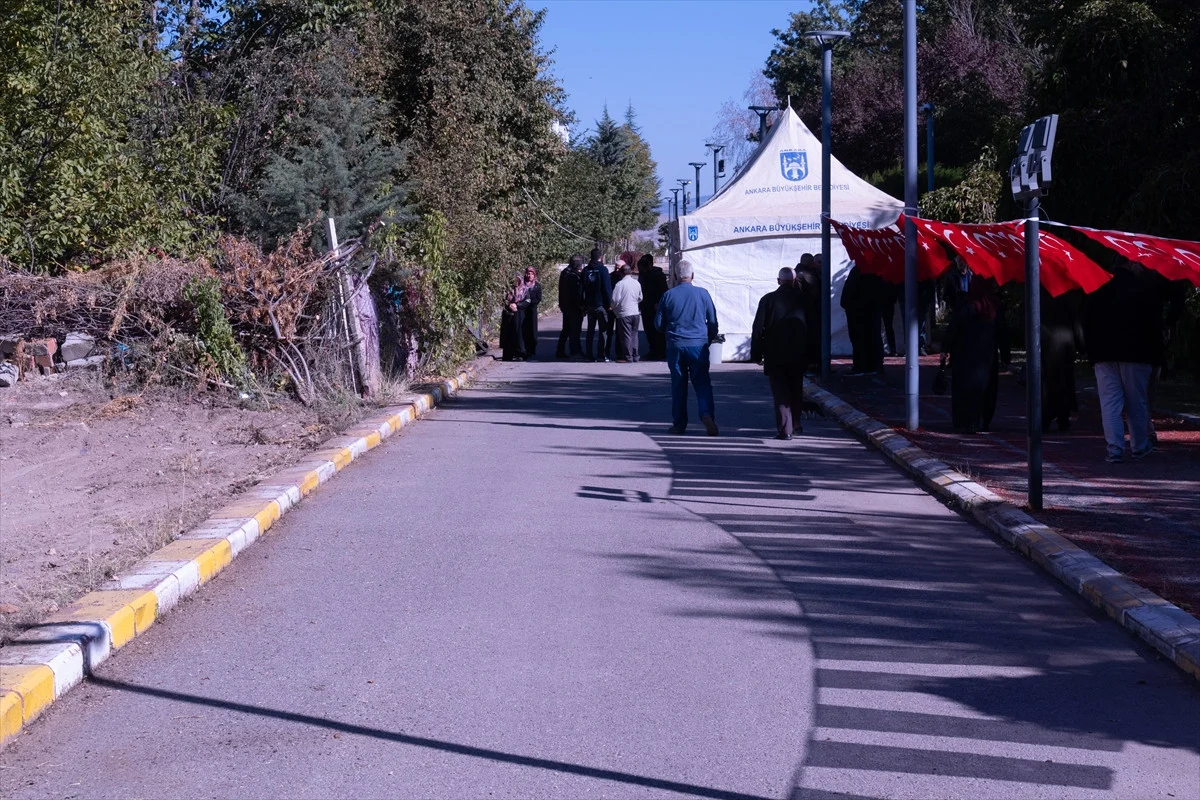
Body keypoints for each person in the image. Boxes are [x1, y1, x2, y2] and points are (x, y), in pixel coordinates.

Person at [1081, 257, 1161, 462]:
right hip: (1136, 354)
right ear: (1132, 264)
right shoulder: (1143, 289)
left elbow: (1086, 322)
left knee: (1110, 404)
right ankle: (1139, 446)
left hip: (1103, 354)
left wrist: (1091, 352)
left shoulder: (1098, 288)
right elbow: (1153, 325)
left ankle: (1115, 449)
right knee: (1137, 402)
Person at [655, 260, 719, 435]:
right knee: (702, 382)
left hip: (676, 345)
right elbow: (712, 322)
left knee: (678, 385)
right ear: (693, 275)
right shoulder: (703, 294)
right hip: (698, 344)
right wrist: (709, 338)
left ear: (675, 276)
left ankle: (679, 424)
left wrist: (669, 332)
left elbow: (658, 323)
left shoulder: (668, 295)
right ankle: (706, 414)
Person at [751, 267, 809, 439]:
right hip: (799, 352)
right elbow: (812, 327)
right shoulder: (804, 300)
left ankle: (786, 429)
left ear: (778, 281)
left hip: (775, 353)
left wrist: (756, 354)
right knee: (796, 389)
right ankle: (797, 424)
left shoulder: (768, 300)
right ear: (794, 281)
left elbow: (757, 329)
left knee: (780, 391)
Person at [941, 276, 1000, 433]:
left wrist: (946, 349)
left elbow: (953, 329)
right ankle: (983, 420)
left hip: (965, 357)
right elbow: (1002, 333)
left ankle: (966, 421)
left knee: (965, 390)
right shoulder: (993, 308)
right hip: (987, 358)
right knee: (986, 390)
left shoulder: (967, 307)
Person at [1041, 287, 1083, 432]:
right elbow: (1075, 320)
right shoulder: (1067, 295)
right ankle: (1063, 417)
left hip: (1046, 342)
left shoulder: (1037, 293)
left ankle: (1045, 416)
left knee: (1046, 381)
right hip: (1065, 342)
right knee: (1064, 380)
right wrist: (1081, 344)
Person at [840, 263, 884, 375]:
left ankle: (861, 366)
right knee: (873, 336)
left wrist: (846, 304)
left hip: (857, 310)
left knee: (859, 338)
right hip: (873, 309)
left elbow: (849, 291)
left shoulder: (858, 271)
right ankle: (875, 365)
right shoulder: (878, 272)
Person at [580, 249, 612, 362]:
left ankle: (589, 354)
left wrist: (583, 305)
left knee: (590, 330)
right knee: (603, 331)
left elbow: (581, 289)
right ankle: (601, 355)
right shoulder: (603, 270)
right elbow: (607, 288)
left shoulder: (585, 270)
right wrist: (609, 304)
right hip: (601, 305)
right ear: (601, 257)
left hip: (590, 305)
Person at [638, 254, 668, 360]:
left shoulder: (658, 275)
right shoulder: (643, 275)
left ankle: (660, 351)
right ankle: (653, 350)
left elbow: (664, 291)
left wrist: (658, 303)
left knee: (657, 330)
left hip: (655, 307)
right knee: (648, 330)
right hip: (645, 305)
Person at [610, 264, 643, 362]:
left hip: (624, 313)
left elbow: (615, 300)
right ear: (631, 272)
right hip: (635, 313)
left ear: (621, 273)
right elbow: (640, 297)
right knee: (634, 335)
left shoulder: (620, 284)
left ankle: (628, 356)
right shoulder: (637, 283)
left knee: (626, 335)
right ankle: (635, 355)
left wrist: (612, 308)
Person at [797, 255, 821, 373]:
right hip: (811, 311)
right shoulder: (809, 275)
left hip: (802, 311)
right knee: (813, 338)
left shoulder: (797, 273)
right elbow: (816, 294)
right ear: (810, 262)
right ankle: (812, 364)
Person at [556, 255, 584, 359]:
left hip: (566, 305)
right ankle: (575, 351)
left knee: (567, 329)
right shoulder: (573, 275)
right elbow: (576, 293)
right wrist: (581, 306)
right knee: (574, 330)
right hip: (573, 306)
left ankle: (560, 350)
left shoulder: (565, 273)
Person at [499, 273, 528, 361]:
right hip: (508, 314)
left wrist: (517, 305)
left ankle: (520, 353)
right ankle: (508, 354)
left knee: (518, 333)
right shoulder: (507, 289)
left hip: (519, 314)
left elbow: (527, 301)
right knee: (508, 333)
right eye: (514, 280)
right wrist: (509, 305)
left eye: (517, 280)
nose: (515, 282)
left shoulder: (525, 289)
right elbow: (501, 299)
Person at [520, 266, 543, 359]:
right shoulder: (522, 285)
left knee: (533, 331)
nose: (530, 276)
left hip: (532, 310)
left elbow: (538, 298)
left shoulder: (537, 286)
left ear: (534, 275)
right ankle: (524, 350)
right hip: (523, 310)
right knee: (523, 329)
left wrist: (530, 302)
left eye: (532, 274)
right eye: (528, 274)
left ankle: (532, 349)